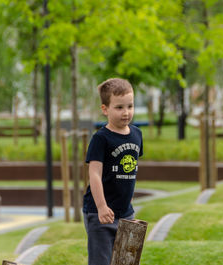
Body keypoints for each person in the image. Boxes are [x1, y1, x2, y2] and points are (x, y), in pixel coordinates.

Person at [83, 78, 143, 265]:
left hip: (126, 213)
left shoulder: (137, 134)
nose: (126, 113)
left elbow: (131, 171)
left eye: (130, 106)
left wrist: (129, 204)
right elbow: (94, 174)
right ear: (105, 109)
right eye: (119, 107)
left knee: (126, 261)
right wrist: (101, 206)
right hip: (100, 214)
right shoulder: (101, 138)